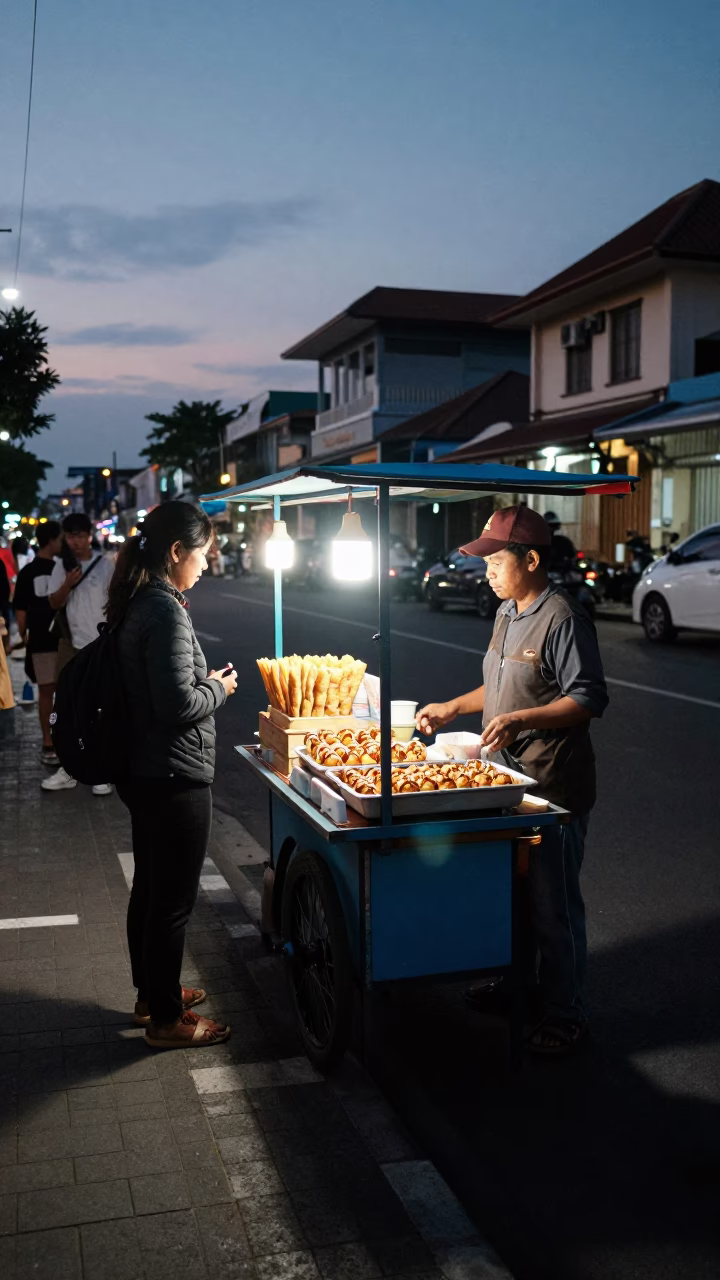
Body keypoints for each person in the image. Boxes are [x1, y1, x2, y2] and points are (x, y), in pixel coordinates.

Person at [416, 504, 608, 1056]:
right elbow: (499, 691)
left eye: (496, 560)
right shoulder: (506, 613)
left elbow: (588, 698)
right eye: (485, 562)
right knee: (515, 898)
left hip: (551, 790)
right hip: (505, 783)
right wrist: (454, 706)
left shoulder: (562, 618)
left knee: (554, 908)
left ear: (529, 559)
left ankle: (567, 1015)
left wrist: (523, 719)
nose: (488, 571)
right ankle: (518, 987)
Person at [109, 502, 237, 1049]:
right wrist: (219, 689)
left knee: (151, 888)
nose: (208, 564)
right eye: (203, 554)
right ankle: (165, 1021)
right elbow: (176, 703)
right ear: (176, 552)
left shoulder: (141, 601)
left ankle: (151, 994)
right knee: (172, 902)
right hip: (172, 772)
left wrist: (196, 683)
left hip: (148, 767)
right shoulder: (162, 610)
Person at [38, 512, 116, 795]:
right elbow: (54, 603)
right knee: (66, 707)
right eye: (70, 536)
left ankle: (101, 771)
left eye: (80, 536)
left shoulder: (105, 565)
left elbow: (115, 604)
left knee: (100, 708)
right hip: (71, 645)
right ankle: (68, 767)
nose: (75, 541)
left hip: (100, 646)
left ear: (89, 535)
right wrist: (68, 584)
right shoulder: (61, 566)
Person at [12, 520, 63, 765]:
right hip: (64, 638)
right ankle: (61, 739)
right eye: (61, 538)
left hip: (40, 639)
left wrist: (23, 637)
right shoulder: (61, 569)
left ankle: (48, 742)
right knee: (64, 692)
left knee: (45, 692)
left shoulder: (27, 572)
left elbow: (20, 612)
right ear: (52, 540)